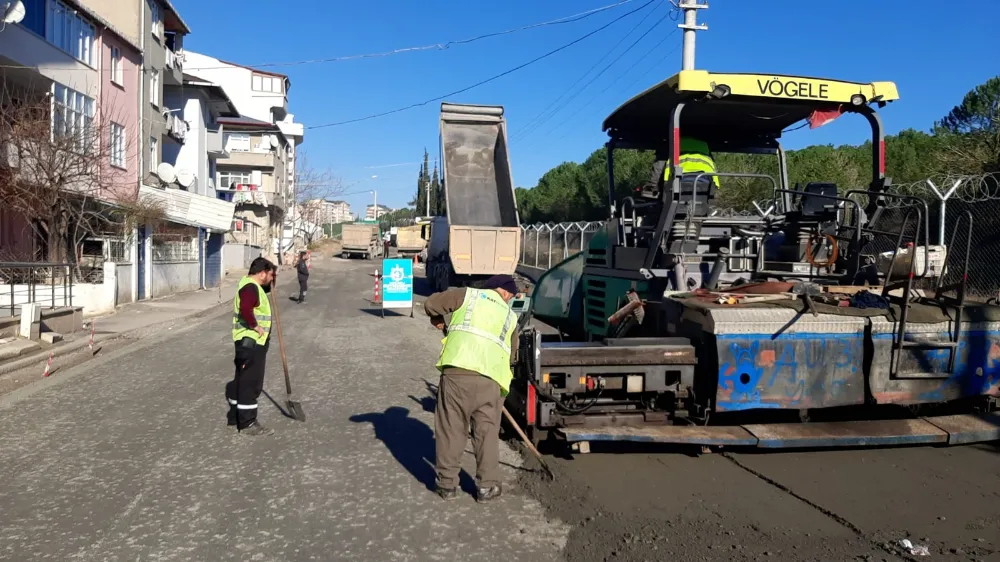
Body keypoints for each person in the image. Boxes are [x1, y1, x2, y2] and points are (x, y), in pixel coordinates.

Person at [423, 274, 520, 503]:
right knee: (487, 434)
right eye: (511, 296)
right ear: (503, 291)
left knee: (451, 430)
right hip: (491, 381)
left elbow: (430, 304)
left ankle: (447, 485)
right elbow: (512, 356)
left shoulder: (466, 295)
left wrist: (437, 320)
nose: (510, 301)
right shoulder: (511, 317)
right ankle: (487, 487)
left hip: (457, 374)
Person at [225, 257, 277, 436]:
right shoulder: (250, 288)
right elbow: (246, 309)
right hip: (252, 342)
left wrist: (272, 281)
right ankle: (247, 423)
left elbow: (257, 300)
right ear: (262, 273)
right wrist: (256, 326)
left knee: (241, 379)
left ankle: (234, 417)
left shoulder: (251, 286)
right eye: (270, 275)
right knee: (251, 382)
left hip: (247, 341)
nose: (271, 278)